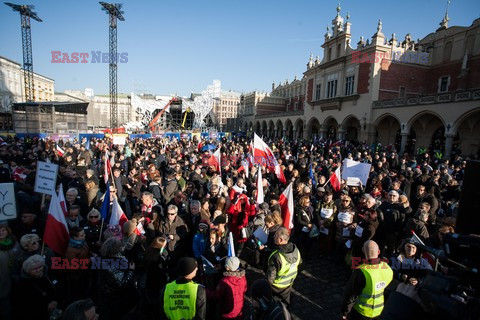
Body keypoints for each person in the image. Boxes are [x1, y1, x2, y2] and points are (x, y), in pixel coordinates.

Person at [342, 240, 393, 320]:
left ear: (363, 251)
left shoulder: (361, 271)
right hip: (379, 311)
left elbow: (351, 295)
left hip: (361, 312)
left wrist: (345, 312)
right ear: (379, 251)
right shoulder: (387, 268)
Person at [266, 226, 302, 307]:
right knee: (286, 302)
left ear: (280, 240)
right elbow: (300, 266)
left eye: (275, 235)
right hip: (289, 284)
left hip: (276, 287)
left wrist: (267, 288)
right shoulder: (296, 250)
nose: (274, 237)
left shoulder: (276, 256)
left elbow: (270, 278)